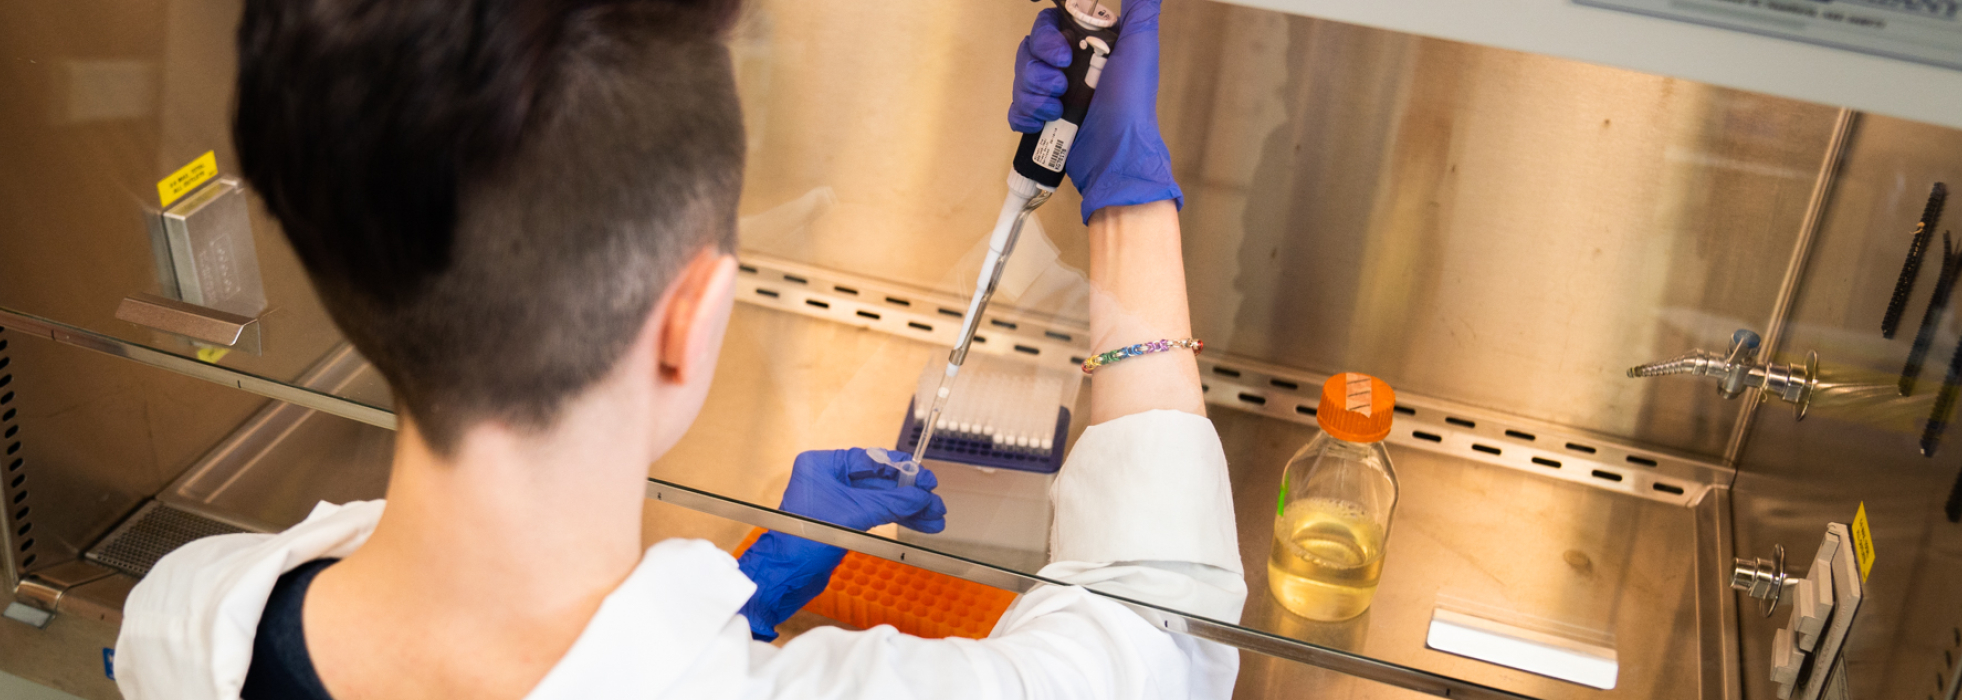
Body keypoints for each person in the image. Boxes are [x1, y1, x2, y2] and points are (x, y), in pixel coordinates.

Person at [113, 0, 1245, 698]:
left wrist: (737, 610)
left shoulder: (182, 618)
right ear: (689, 322)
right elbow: (1155, 642)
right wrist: (1128, 191)